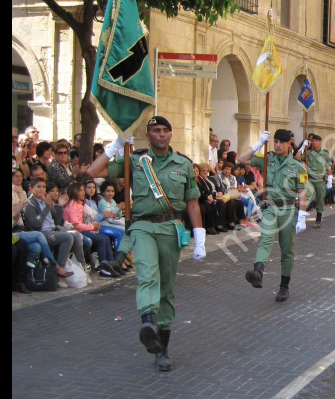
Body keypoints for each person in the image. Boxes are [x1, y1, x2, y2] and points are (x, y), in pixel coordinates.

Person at [88, 116, 206, 371]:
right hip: (142, 226)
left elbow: (192, 202)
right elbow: (93, 172)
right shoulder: (134, 160)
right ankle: (148, 322)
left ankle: (161, 347)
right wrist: (115, 145)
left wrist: (200, 237)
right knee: (147, 275)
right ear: (148, 135)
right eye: (155, 130)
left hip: (171, 227)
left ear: (170, 134)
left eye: (165, 130)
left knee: (167, 288)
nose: (161, 135)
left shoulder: (183, 164)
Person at [238, 129, 308, 302]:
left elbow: (302, 191)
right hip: (270, 207)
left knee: (287, 250)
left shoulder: (298, 166)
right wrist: (258, 143)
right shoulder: (268, 160)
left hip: (288, 210)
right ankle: (258, 272)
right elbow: (241, 159)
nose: (277, 145)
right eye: (275, 141)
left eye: (281, 142)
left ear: (289, 143)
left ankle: (284, 287)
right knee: (266, 238)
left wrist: (302, 215)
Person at [22, 177, 82, 285]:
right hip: (43, 233)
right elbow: (35, 224)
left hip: (54, 229)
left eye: (43, 187)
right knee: (67, 237)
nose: (41, 189)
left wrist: (60, 206)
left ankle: (81, 269)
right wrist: (47, 208)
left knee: (77, 236)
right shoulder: (30, 203)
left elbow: (56, 221)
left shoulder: (46, 200)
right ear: (31, 189)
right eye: (38, 187)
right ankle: (59, 273)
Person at [63, 182, 122, 277]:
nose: (83, 193)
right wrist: (92, 227)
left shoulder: (80, 204)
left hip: (84, 228)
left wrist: (92, 225)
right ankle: (104, 268)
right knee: (101, 240)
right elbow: (77, 225)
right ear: (74, 192)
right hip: (77, 231)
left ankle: (111, 264)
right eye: (81, 190)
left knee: (106, 238)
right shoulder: (72, 205)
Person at [296, 134, 332, 228]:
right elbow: (297, 158)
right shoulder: (308, 152)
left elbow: (329, 166)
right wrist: (303, 147)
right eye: (313, 141)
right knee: (306, 197)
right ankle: (300, 217)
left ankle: (318, 219)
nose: (314, 142)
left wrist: (330, 179)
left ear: (320, 142)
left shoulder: (324, 154)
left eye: (316, 141)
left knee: (320, 199)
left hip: (320, 179)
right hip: (309, 179)